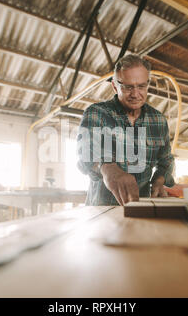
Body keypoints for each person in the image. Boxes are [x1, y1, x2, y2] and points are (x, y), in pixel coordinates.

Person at [77, 54, 181, 206]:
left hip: (142, 207)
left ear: (148, 84)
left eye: (141, 86)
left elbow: (166, 161)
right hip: (102, 210)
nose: (135, 94)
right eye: (127, 87)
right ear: (114, 85)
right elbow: (85, 153)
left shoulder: (158, 121)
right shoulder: (97, 113)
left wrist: (159, 180)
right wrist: (108, 168)